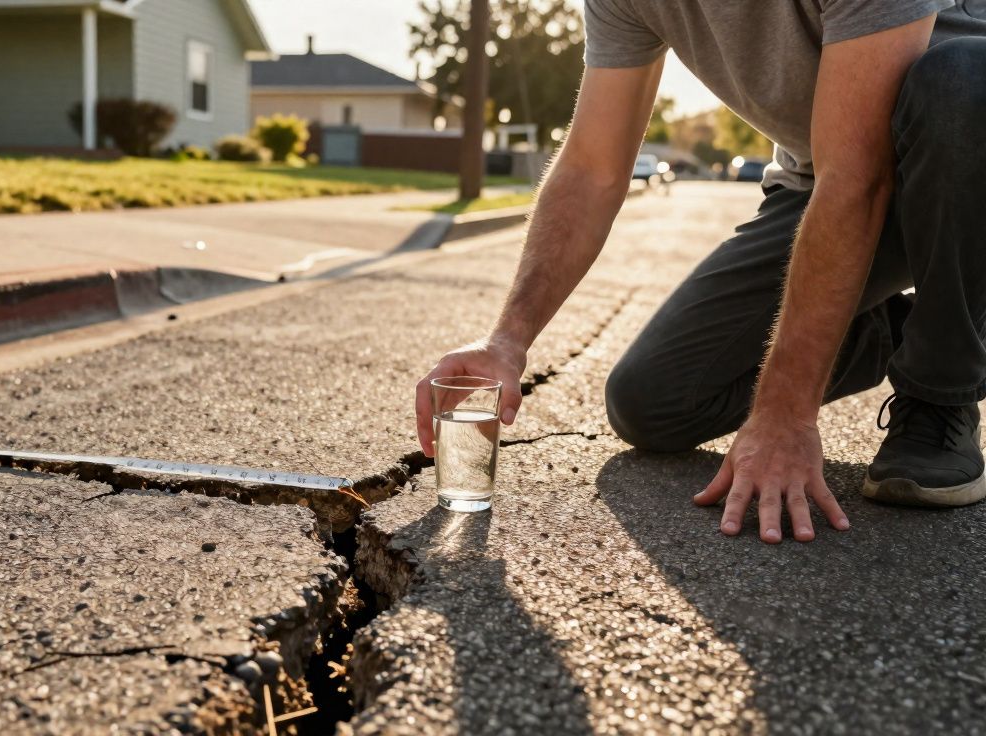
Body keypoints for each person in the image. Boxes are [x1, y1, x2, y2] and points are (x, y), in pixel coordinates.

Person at [416, 2, 986, 544]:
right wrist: (507, 340)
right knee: (655, 401)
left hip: (963, 163)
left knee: (961, 77)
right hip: (824, 177)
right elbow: (592, 167)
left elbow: (858, 179)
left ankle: (944, 379)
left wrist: (786, 411)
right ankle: (918, 322)